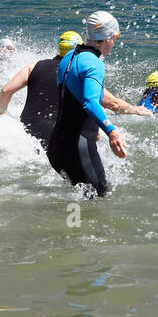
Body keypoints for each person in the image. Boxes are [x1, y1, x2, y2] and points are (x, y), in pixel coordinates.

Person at [0, 30, 150, 148]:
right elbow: (113, 104)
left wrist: (2, 112)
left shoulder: (34, 66)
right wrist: (136, 110)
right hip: (59, 137)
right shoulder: (78, 71)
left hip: (28, 132)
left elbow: (5, 91)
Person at [46, 11, 128, 197]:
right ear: (107, 37)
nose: (114, 42)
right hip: (78, 148)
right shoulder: (94, 64)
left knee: (79, 203)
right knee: (98, 203)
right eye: (115, 37)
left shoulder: (67, 58)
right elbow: (90, 103)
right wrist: (112, 132)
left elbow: (70, 99)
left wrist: (93, 127)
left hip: (56, 147)